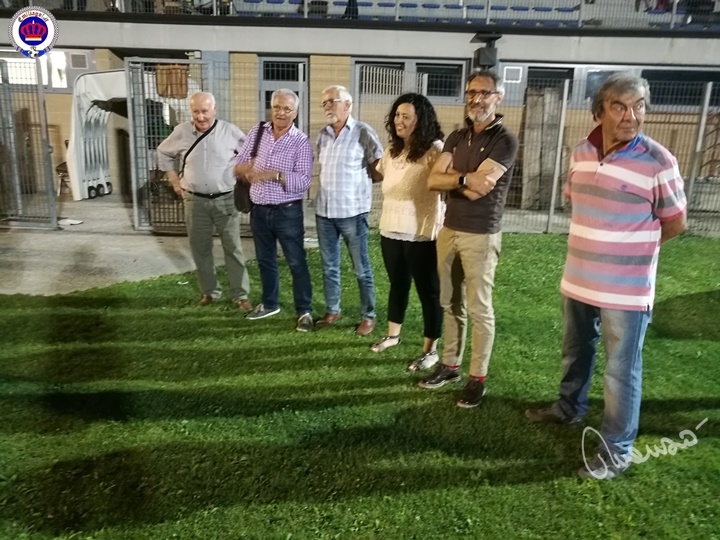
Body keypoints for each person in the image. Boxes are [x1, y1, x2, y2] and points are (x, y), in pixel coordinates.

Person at [525, 73, 687, 480]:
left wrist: (631, 252)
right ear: (599, 112)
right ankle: (568, 409)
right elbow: (577, 202)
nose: (631, 115)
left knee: (620, 371)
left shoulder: (659, 161)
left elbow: (676, 222)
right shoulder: (581, 153)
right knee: (574, 351)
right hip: (578, 280)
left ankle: (616, 451)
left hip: (626, 292)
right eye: (620, 106)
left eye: (639, 106)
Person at [418, 69, 519, 409]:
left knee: (479, 308)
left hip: (481, 233)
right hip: (449, 229)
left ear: (498, 98)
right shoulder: (456, 137)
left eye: (484, 93)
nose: (476, 99)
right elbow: (433, 181)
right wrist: (465, 178)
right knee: (449, 303)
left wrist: (453, 177)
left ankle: (477, 379)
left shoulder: (504, 140)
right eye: (471, 92)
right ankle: (449, 367)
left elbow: (482, 189)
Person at [370, 93, 446, 372]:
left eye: (406, 116)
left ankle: (430, 350)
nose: (398, 121)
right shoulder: (392, 151)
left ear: (420, 120)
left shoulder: (435, 150)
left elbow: (444, 185)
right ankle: (393, 335)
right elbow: (380, 174)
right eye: (397, 115)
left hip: (421, 233)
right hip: (390, 229)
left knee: (429, 292)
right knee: (397, 284)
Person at [157, 91, 251, 312]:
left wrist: (244, 173)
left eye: (205, 111)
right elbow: (163, 152)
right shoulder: (181, 132)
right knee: (200, 249)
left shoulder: (230, 131)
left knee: (233, 248)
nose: (200, 117)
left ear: (214, 110)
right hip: (194, 201)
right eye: (196, 112)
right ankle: (209, 292)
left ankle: (240, 295)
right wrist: (174, 180)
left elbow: (250, 155)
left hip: (225, 200)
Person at [234, 89, 315, 332]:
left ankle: (304, 311)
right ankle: (270, 304)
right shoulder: (258, 132)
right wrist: (244, 170)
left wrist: (274, 175)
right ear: (271, 107)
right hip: (259, 210)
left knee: (296, 262)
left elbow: (304, 181)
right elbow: (238, 163)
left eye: (286, 109)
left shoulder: (300, 141)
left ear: (295, 112)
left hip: (287, 212)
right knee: (265, 260)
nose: (280, 113)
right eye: (277, 107)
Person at [314, 85, 384, 336]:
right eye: (324, 103)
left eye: (332, 101)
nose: (327, 107)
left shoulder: (363, 132)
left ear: (347, 104)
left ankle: (368, 316)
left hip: (353, 213)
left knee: (361, 268)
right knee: (329, 267)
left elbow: (379, 170)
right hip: (324, 212)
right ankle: (333, 310)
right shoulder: (322, 135)